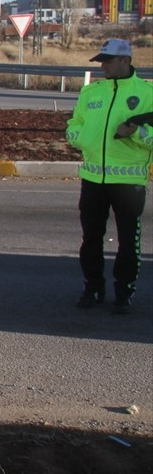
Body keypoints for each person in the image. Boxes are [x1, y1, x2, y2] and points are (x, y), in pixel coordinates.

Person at [66, 38, 153, 314]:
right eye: (100, 60)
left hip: (128, 182)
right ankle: (92, 287)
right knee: (91, 237)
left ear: (125, 60)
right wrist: (78, 137)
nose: (102, 65)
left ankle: (124, 291)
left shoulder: (147, 93)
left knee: (128, 240)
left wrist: (137, 134)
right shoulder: (92, 91)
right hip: (93, 179)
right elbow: (75, 122)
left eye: (108, 60)